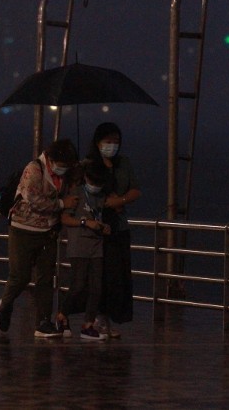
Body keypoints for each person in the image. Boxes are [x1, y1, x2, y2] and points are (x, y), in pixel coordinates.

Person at [0, 139, 79, 338]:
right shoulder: (34, 170)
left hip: (47, 232)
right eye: (62, 164)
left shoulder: (65, 175)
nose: (63, 169)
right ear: (50, 158)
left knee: (45, 278)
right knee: (20, 275)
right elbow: (33, 201)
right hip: (22, 229)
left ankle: (43, 322)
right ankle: (5, 303)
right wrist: (61, 203)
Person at [86, 122, 141, 338]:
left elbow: (136, 189)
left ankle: (110, 317)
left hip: (119, 226)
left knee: (118, 274)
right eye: (108, 141)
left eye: (116, 141)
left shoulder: (123, 163)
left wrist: (121, 199)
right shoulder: (89, 164)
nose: (112, 145)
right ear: (98, 142)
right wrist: (104, 203)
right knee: (100, 274)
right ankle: (97, 317)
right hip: (98, 228)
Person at [55, 159, 111, 341]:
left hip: (96, 245)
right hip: (79, 245)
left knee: (96, 286)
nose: (96, 186)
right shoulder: (77, 193)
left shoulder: (102, 196)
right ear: (86, 178)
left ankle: (88, 324)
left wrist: (103, 227)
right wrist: (84, 222)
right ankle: (62, 314)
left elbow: (99, 214)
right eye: (93, 183)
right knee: (78, 285)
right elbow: (65, 218)